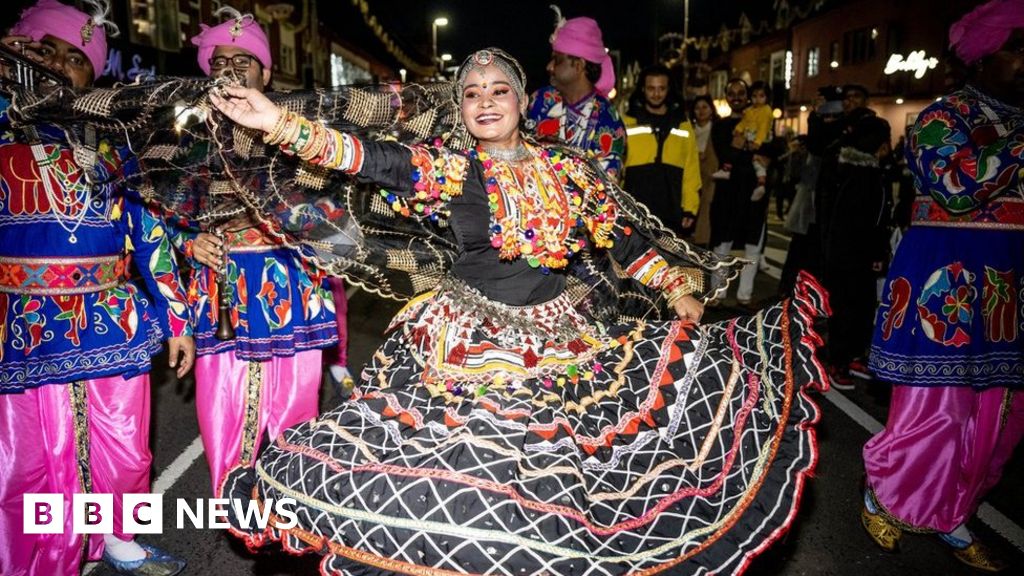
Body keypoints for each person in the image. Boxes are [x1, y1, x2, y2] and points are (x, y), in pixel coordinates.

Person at [206, 47, 829, 576]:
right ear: (460, 107)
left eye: (499, 89)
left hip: (566, 342)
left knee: (556, 486)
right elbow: (368, 157)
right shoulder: (449, 169)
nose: (485, 100)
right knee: (457, 487)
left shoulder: (568, 170)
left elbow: (623, 240)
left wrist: (676, 290)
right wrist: (276, 120)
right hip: (464, 347)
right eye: (472, 92)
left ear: (523, 102)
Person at [0, 1, 191, 575]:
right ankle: (34, 558)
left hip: (111, 314)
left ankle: (118, 537)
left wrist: (177, 317)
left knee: (125, 443)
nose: (61, 65)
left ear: (95, 75)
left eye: (77, 58)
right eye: (46, 50)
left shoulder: (116, 141)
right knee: (28, 457)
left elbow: (150, 229)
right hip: (23, 323)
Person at [861, 2, 1024, 571]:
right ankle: (890, 494)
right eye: (1017, 47)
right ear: (984, 55)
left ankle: (954, 511)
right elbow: (958, 188)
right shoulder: (941, 118)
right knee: (941, 410)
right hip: (947, 282)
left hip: (1011, 286)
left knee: (1001, 421)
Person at [174, 7, 339, 492]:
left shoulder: (295, 131)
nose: (232, 69)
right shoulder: (187, 138)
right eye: (221, 60)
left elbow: (333, 208)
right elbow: (157, 215)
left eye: (245, 60)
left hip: (291, 287)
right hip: (219, 288)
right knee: (222, 409)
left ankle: (289, 507)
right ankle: (235, 505)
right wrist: (188, 241)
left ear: (266, 72)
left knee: (295, 411)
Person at [821, 115, 893, 391]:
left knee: (862, 308)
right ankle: (836, 361)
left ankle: (852, 356)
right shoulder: (854, 172)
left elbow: (877, 218)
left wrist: (877, 252)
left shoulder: (873, 170)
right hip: (846, 256)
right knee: (844, 309)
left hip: (861, 256)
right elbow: (850, 221)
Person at [528, 8, 625, 180]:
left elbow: (605, 185)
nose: (549, 67)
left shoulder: (608, 119)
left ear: (579, 65)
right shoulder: (540, 101)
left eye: (557, 60)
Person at [708, 78, 768, 307]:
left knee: (753, 243)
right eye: (731, 93)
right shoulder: (721, 125)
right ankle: (717, 292)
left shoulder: (761, 118)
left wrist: (753, 150)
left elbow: (769, 149)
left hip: (754, 193)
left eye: (741, 93)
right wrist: (743, 148)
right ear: (726, 96)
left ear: (748, 95)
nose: (737, 97)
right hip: (728, 192)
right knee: (722, 242)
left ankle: (745, 294)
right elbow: (726, 154)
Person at [622, 64, 701, 235]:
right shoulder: (627, 122)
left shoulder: (683, 125)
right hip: (633, 211)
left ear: (669, 89)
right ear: (642, 89)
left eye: (661, 88)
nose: (656, 94)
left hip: (671, 212)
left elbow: (691, 170)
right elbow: (618, 167)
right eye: (651, 88)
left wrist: (690, 208)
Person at [690, 94, 719, 246]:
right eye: (697, 108)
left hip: (710, 175)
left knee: (706, 209)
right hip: (693, 175)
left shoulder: (716, 130)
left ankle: (703, 241)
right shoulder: (689, 130)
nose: (701, 111)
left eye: (704, 107)